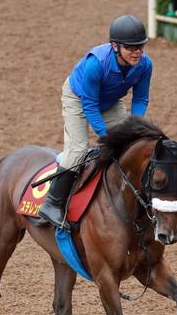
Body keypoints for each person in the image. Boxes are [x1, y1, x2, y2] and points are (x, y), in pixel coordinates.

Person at [39, 14, 153, 230]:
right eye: (131, 48)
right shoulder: (96, 64)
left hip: (109, 101)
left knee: (131, 144)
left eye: (140, 46)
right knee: (79, 150)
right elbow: (89, 105)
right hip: (79, 98)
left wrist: (136, 128)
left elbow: (140, 98)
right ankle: (52, 203)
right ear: (115, 46)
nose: (137, 52)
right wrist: (106, 135)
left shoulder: (145, 64)